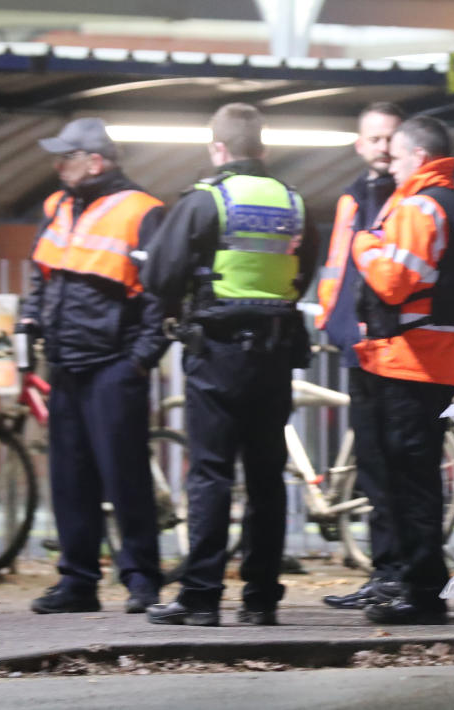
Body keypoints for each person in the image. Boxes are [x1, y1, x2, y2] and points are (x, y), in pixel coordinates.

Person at [141, 103, 318, 627]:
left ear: (218, 149)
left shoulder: (206, 202)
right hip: (275, 354)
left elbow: (159, 276)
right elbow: (301, 273)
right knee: (266, 477)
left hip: (216, 353)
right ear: (263, 149)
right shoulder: (295, 204)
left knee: (212, 476)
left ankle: (200, 600)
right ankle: (261, 599)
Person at [352, 116, 454, 624]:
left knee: (406, 483)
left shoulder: (418, 208)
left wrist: (363, 245)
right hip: (447, 362)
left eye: (395, 157)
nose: (389, 166)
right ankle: (423, 587)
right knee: (421, 478)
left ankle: (421, 594)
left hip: (405, 362)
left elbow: (392, 282)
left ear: (418, 157)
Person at [24, 117, 168, 615]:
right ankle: (78, 582)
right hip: (66, 363)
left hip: (114, 367)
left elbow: (159, 294)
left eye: (66, 157)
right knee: (70, 478)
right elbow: (42, 272)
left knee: (124, 477)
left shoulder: (141, 210)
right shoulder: (57, 205)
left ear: (96, 162)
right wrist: (31, 314)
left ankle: (141, 579)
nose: (56, 165)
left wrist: (140, 361)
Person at [317, 102, 406, 611]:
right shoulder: (355, 196)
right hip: (359, 350)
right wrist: (333, 325)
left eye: (390, 138)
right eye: (374, 138)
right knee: (374, 469)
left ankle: (396, 575)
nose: (382, 147)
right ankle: (385, 571)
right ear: (359, 144)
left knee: (392, 470)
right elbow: (339, 268)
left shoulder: (405, 198)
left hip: (393, 353)